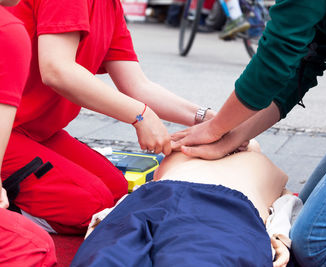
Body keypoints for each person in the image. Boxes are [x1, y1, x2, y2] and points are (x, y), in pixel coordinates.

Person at [171, 0, 326, 266]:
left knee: (315, 245)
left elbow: (279, 51)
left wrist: (216, 127)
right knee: (294, 215)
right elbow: (306, 59)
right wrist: (233, 134)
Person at [3, 0, 214, 235]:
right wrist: (140, 116)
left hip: (33, 130)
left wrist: (210, 121)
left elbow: (137, 86)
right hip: (7, 127)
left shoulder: (109, 6)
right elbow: (57, 70)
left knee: (115, 191)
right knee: (90, 205)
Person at [70, 142, 302, 267]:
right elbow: (285, 206)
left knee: (108, 254)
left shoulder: (259, 162)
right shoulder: (260, 163)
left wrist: (278, 237)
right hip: (211, 209)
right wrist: (278, 238)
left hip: (205, 206)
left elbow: (284, 205)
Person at [0, 0, 57, 265]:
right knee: (36, 245)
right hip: (19, 131)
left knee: (108, 190)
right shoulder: (8, 30)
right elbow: (58, 71)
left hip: (41, 131)